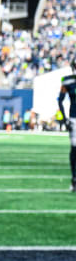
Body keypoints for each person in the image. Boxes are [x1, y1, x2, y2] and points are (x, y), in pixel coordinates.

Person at [60, 63, 76, 192]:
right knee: (75, 149)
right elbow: (59, 100)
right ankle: (74, 179)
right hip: (74, 118)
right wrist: (64, 118)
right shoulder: (67, 80)